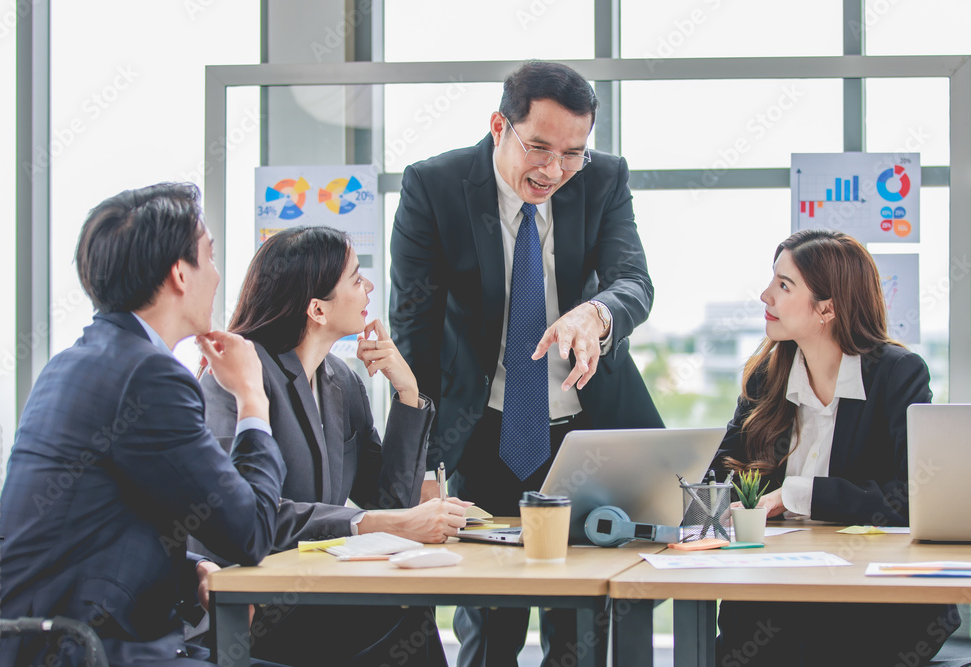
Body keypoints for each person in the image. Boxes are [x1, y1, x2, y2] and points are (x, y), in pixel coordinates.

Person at [389, 60, 663, 667]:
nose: (554, 170)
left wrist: (597, 312)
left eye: (573, 152)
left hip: (588, 432)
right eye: (539, 147)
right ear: (499, 126)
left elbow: (633, 281)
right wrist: (425, 459)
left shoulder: (602, 179)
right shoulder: (435, 187)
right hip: (486, 429)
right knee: (491, 624)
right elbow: (415, 329)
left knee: (582, 628)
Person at [0, 183, 287, 666]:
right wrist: (252, 397)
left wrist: (192, 567)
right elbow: (251, 532)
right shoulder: (148, 375)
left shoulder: (75, 362)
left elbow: (89, 530)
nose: (219, 275)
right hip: (80, 651)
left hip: (29, 644)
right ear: (180, 273)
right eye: (210, 255)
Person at [197, 225, 468, 666]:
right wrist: (383, 524)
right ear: (317, 309)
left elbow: (388, 499)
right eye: (357, 279)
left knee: (409, 616)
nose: (369, 288)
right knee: (407, 624)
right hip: (256, 604)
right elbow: (244, 513)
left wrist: (408, 393)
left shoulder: (341, 380)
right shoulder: (238, 375)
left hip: (316, 589)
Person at [710, 229, 958, 666]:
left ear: (828, 307)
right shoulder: (766, 376)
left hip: (876, 604)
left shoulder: (897, 375)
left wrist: (797, 493)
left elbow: (910, 496)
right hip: (772, 596)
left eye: (784, 286)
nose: (765, 296)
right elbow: (725, 475)